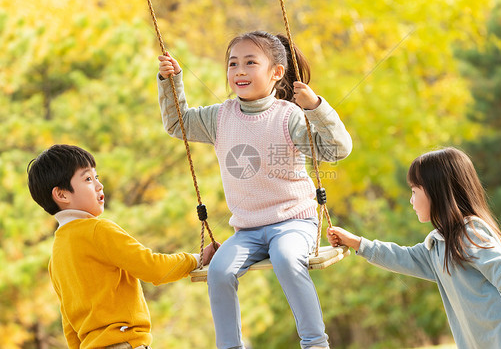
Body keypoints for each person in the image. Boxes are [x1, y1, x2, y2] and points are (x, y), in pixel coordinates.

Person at [157, 31, 352, 349]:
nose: (240, 71)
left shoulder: (288, 115)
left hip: (294, 222)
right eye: (233, 64)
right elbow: (177, 124)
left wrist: (316, 107)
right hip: (247, 229)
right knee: (219, 271)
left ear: (276, 72)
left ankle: (315, 342)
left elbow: (337, 149)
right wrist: (170, 80)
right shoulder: (219, 117)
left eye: (250, 62)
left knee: (288, 259)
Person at [327, 147, 501, 349]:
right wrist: (357, 242)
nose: (411, 200)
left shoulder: (468, 232)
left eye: (414, 191)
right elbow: (400, 257)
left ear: (438, 193)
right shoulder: (437, 245)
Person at [27, 144, 218, 349]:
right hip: (124, 343)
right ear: (62, 195)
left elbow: (69, 323)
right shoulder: (97, 230)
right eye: (88, 179)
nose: (99, 185)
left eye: (96, 176)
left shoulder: (57, 252)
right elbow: (153, 268)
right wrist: (198, 259)